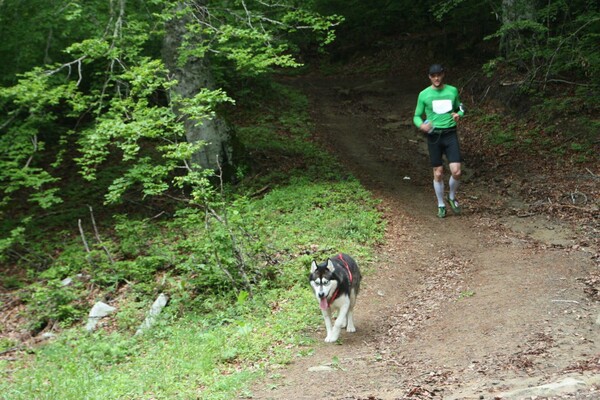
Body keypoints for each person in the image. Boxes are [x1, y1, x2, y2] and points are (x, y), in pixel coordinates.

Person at [413, 64, 465, 218]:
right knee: (438, 172)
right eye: (433, 75)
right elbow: (416, 115)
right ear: (429, 77)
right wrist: (421, 125)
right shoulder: (424, 94)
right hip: (434, 135)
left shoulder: (452, 90)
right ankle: (441, 204)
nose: (436, 78)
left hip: (450, 134)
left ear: (443, 75)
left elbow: (460, 107)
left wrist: (459, 115)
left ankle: (452, 197)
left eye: (439, 75)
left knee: (457, 171)